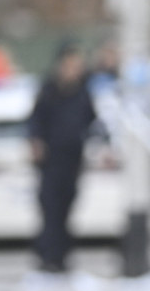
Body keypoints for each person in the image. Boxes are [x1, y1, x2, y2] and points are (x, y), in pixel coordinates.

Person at [27, 43, 98, 273]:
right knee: (50, 208)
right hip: (51, 159)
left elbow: (91, 121)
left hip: (73, 158)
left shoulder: (83, 91)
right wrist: (36, 142)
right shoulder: (49, 91)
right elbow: (35, 120)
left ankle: (62, 256)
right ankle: (48, 256)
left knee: (67, 208)